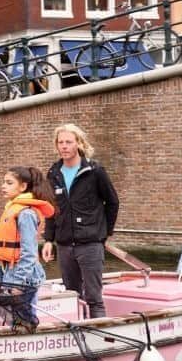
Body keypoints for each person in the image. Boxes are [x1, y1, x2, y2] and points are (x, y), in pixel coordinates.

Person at [41, 124, 119, 318]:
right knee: (72, 295)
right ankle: (77, 338)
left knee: (94, 297)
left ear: (79, 144)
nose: (64, 146)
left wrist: (104, 233)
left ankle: (99, 339)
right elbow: (51, 209)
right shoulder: (53, 174)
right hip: (65, 245)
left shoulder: (95, 171)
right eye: (60, 142)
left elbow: (112, 202)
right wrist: (49, 240)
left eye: (69, 142)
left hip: (90, 243)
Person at [0, 166, 56, 286]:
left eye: (9, 183)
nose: (3, 186)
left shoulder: (26, 213)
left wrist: (19, 283)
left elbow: (29, 253)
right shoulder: (12, 209)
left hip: (21, 277)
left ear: (23, 187)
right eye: (4, 182)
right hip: (9, 271)